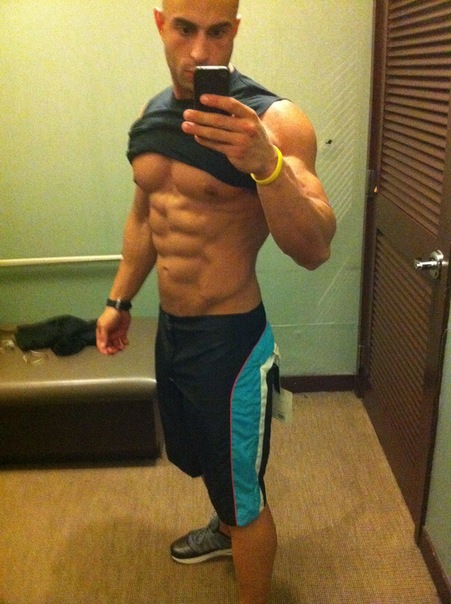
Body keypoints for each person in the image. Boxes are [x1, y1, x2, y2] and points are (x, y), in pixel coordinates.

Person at [96, 1, 336, 602]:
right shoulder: (153, 116)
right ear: (160, 24)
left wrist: (267, 165)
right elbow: (146, 216)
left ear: (236, 30)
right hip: (172, 331)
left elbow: (314, 247)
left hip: (230, 344)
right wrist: (120, 299)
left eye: (218, 31)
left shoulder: (275, 123)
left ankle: (240, 539)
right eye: (184, 29)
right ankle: (224, 529)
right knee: (203, 456)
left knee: (244, 496)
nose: (201, 51)